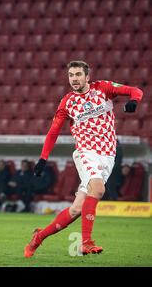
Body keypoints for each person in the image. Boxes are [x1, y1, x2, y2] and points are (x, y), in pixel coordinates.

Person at [25, 60, 143, 257]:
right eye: (71, 75)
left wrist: (134, 102)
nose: (74, 79)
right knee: (97, 189)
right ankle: (86, 243)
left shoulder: (103, 88)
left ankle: (39, 237)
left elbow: (136, 90)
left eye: (78, 74)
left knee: (76, 209)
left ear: (87, 76)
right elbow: (53, 132)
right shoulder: (67, 102)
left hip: (108, 155)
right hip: (85, 152)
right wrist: (43, 159)